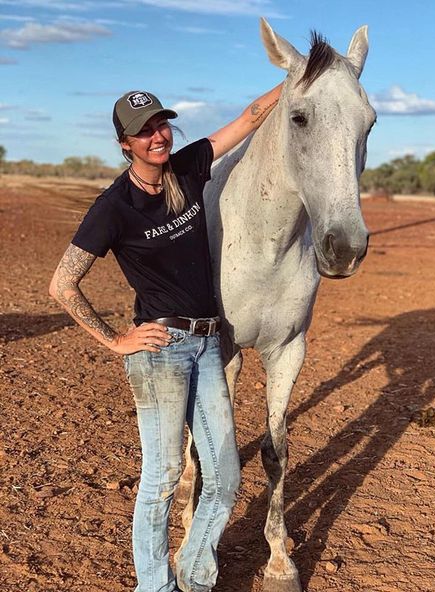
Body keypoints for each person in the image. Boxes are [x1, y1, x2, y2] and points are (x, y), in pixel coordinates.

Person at [49, 83, 282, 592]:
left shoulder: (189, 168)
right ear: (125, 143)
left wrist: (302, 70)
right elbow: (62, 284)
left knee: (223, 479)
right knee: (161, 478)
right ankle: (154, 586)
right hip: (161, 353)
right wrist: (115, 340)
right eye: (143, 132)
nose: (157, 136)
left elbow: (251, 116)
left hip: (208, 344)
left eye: (160, 124)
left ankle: (194, 579)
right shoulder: (114, 206)